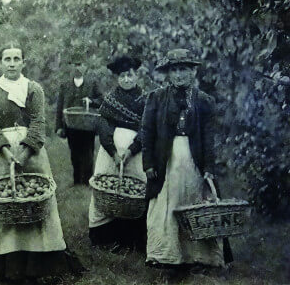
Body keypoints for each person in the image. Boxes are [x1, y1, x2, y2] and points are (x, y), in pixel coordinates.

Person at [0, 44, 83, 283]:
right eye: (7, 59)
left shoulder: (33, 89)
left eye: (16, 59)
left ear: (24, 62)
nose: (12, 63)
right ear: (0, 63)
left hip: (31, 153)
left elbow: (38, 121)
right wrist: (5, 151)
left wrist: (24, 152)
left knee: (34, 201)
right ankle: (5, 263)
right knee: (4, 200)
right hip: (0, 153)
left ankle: (39, 262)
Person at [141, 48, 232, 268]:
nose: (179, 75)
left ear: (192, 72)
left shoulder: (203, 101)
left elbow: (209, 137)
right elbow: (147, 132)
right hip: (166, 159)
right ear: (168, 73)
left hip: (193, 160)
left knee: (195, 203)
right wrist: (149, 163)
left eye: (184, 70)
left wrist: (209, 165)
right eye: (175, 70)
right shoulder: (157, 98)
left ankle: (199, 256)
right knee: (165, 203)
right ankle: (165, 255)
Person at [88, 55, 147, 249]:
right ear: (117, 78)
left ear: (136, 76)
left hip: (136, 155)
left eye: (130, 75)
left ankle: (133, 240)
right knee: (109, 190)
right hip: (110, 154)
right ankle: (105, 237)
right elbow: (104, 127)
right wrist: (113, 152)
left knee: (134, 192)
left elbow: (146, 129)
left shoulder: (145, 100)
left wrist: (131, 150)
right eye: (122, 76)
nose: (127, 80)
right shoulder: (111, 100)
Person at [55, 53, 102, 185]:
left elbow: (102, 100)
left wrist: (91, 101)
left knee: (87, 152)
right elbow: (59, 106)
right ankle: (77, 181)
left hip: (88, 125)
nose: (77, 68)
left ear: (85, 67)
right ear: (70, 67)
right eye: (74, 65)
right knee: (74, 152)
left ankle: (87, 181)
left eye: (80, 64)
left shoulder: (92, 83)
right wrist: (59, 126)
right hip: (71, 125)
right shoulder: (65, 85)